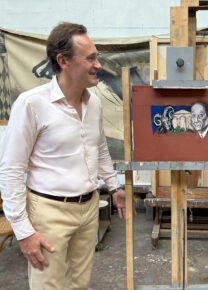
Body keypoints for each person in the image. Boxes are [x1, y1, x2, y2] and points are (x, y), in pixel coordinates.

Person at [0, 22, 127, 289]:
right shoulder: (31, 104)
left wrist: (115, 186)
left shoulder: (93, 103)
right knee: (49, 285)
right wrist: (24, 232)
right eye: (91, 58)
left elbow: (99, 147)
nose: (99, 65)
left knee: (79, 284)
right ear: (63, 61)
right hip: (48, 212)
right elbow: (11, 171)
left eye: (97, 57)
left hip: (90, 207)